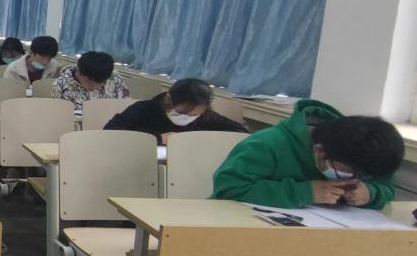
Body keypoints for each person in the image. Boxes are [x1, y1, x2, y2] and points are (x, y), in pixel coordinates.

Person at [212, 100, 403, 210]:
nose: (355, 178)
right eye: (348, 171)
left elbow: (386, 185)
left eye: (363, 175)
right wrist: (305, 192)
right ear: (320, 150)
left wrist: (371, 193)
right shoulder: (267, 145)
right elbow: (229, 189)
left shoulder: (367, 154)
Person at [104, 78, 246, 143]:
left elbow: (240, 132)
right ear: (168, 100)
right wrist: (157, 138)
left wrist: (202, 140)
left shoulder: (206, 116)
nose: (189, 117)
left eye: (196, 114)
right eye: (184, 112)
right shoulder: (144, 109)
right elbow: (110, 132)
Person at [50, 51, 131, 111]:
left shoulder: (115, 78)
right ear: (78, 71)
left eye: (100, 83)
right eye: (88, 82)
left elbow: (126, 105)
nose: (94, 87)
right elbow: (59, 116)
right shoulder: (60, 85)